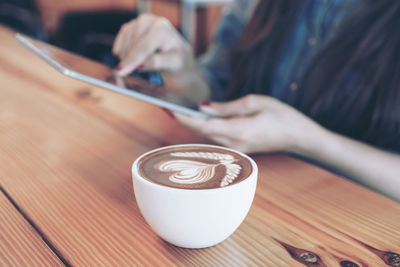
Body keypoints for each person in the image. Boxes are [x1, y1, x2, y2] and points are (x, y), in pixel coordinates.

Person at [112, 0, 400, 201]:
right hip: (253, 199)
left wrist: (309, 140)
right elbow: (216, 95)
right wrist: (181, 66)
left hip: (354, 221)